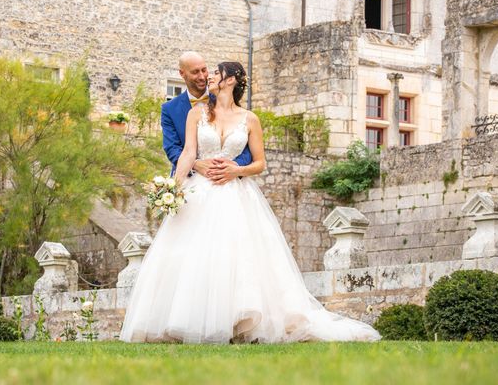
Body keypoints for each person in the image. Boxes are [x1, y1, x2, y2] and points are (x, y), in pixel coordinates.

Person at [120, 61, 380, 343]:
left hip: (236, 193)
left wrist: (236, 170)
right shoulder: (196, 114)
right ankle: (186, 321)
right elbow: (187, 153)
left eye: (216, 74)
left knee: (237, 256)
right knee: (194, 256)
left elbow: (260, 163)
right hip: (199, 193)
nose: (209, 78)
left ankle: (239, 321)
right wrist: (174, 188)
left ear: (231, 80)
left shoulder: (250, 119)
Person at [160, 51, 252, 181]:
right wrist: (196, 164)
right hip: (188, 178)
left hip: (227, 179)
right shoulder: (169, 109)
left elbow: (244, 144)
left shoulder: (225, 97)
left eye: (204, 70)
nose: (202, 76)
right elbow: (172, 148)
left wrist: (234, 167)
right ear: (182, 73)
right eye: (195, 72)